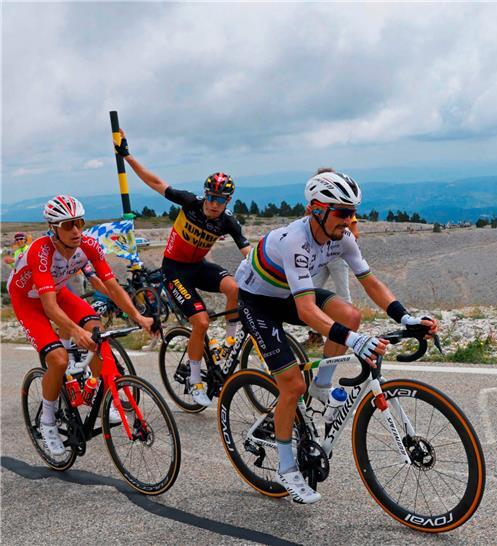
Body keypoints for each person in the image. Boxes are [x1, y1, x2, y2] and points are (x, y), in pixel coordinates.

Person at [234, 170, 438, 503]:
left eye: (353, 212)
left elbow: (370, 282)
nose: (350, 219)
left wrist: (406, 316)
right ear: (317, 209)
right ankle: (287, 468)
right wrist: (355, 340)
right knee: (291, 385)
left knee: (350, 314)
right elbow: (306, 312)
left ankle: (322, 385)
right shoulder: (295, 241)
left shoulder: (343, 238)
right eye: (343, 212)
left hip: (288, 291)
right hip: (258, 302)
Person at [8, 195, 156, 456]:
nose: (76, 230)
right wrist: (75, 331)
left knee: (96, 331)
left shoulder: (88, 244)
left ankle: (99, 395)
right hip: (28, 300)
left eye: (79, 222)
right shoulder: (41, 252)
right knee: (58, 360)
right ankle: (48, 422)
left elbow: (111, 285)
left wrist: (138, 316)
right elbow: (50, 308)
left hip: (57, 291)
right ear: (53, 229)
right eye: (68, 225)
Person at [115, 130, 251, 406]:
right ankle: (194, 377)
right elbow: (156, 183)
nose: (214, 204)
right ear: (205, 195)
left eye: (220, 200)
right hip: (175, 270)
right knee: (200, 322)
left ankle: (228, 343)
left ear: (228, 201)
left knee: (235, 288)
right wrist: (127, 156)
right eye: (211, 197)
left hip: (199, 267)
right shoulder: (190, 203)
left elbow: (248, 255)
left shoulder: (228, 223)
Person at [305, 168, 360, 346]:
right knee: (311, 291)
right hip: (322, 256)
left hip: (337, 256)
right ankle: (316, 334)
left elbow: (354, 232)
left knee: (343, 294)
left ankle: (347, 336)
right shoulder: (319, 207)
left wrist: (344, 245)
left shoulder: (342, 209)